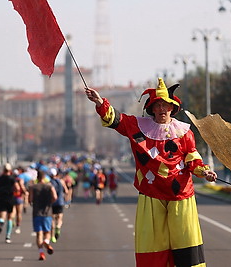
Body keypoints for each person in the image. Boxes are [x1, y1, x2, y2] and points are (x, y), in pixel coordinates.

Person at [85, 78, 217, 267]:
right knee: (152, 247)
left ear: (173, 108)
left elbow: (192, 159)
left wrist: (204, 172)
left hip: (180, 195)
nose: (162, 109)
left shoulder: (185, 132)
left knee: (186, 245)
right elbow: (116, 119)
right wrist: (99, 102)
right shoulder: (138, 126)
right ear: (152, 108)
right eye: (158, 105)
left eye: (166, 105)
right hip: (151, 194)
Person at [29, 170, 57, 261]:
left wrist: (33, 203)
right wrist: (50, 203)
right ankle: (47, 241)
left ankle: (41, 252)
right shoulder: (49, 186)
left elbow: (30, 200)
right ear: (44, 177)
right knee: (47, 232)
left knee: (39, 233)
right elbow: (55, 197)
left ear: (37, 177)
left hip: (36, 212)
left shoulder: (33, 187)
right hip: (47, 212)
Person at [0, 163, 16, 243]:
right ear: (10, 170)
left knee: (2, 215)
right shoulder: (12, 178)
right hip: (10, 199)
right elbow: (17, 188)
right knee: (10, 217)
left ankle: (1, 222)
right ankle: (8, 236)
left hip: (1, 198)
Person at [48, 168, 68, 243]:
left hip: (52, 203)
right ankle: (58, 227)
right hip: (60, 202)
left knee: (52, 219)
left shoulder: (49, 183)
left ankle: (52, 236)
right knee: (59, 218)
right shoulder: (61, 181)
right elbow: (66, 191)